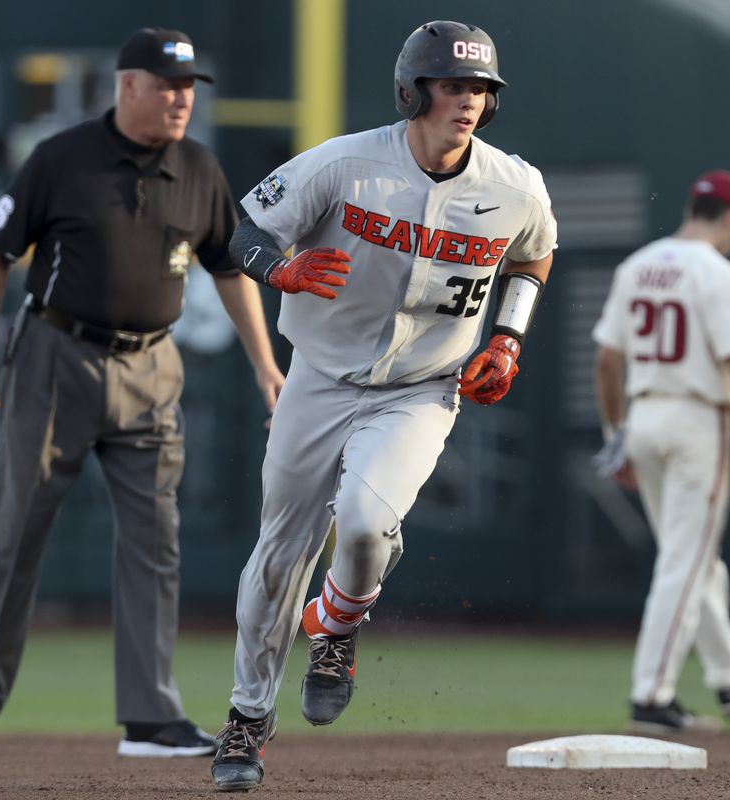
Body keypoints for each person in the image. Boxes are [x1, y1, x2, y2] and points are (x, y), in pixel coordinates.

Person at [208, 20, 557, 791]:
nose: (466, 101)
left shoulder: (513, 185)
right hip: (319, 378)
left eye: (479, 89)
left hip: (420, 390)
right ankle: (246, 720)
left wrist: (509, 337)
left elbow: (535, 251)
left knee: (365, 524)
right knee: (277, 558)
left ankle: (336, 625)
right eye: (452, 85)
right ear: (413, 90)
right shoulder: (344, 163)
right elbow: (244, 229)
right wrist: (281, 271)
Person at [0, 28, 285, 757]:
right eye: (167, 85)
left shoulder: (199, 168)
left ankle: (151, 716)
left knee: (156, 542)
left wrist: (263, 363)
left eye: (189, 87)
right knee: (17, 527)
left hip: (153, 366)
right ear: (127, 86)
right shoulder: (61, 159)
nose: (181, 100)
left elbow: (227, 267)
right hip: (56, 359)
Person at [591, 170, 730, 734]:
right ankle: (651, 696)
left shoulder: (637, 265)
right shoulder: (719, 273)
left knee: (693, 556)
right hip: (697, 421)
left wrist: (616, 436)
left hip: (643, 415)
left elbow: (608, 361)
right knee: (685, 561)